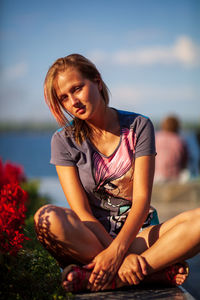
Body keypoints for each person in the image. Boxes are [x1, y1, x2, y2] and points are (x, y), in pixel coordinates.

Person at [34, 54, 200, 293]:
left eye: (77, 88)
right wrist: (114, 253)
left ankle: (111, 278)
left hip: (140, 235)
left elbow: (141, 202)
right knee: (44, 217)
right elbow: (82, 212)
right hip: (91, 241)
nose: (73, 102)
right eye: (64, 98)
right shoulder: (63, 140)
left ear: (97, 81)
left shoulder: (139, 126)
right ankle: (152, 272)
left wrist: (119, 251)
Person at [154, 115, 188, 182]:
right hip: (175, 176)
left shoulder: (156, 138)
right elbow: (185, 161)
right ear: (177, 126)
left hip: (157, 176)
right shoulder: (180, 140)